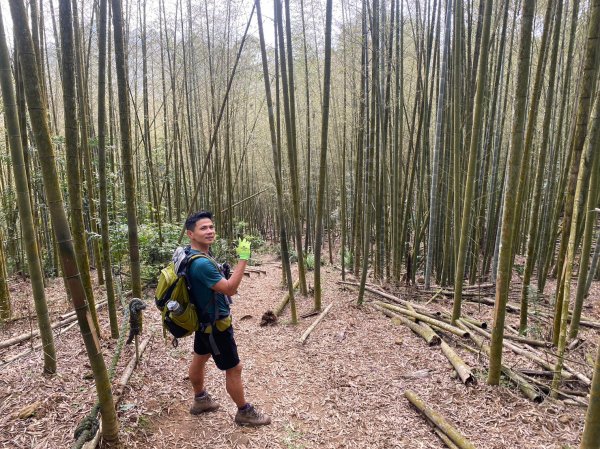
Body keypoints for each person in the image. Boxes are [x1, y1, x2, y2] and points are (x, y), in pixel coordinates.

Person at [184, 210, 271, 427]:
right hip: (216, 326)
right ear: (190, 234)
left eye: (211, 227)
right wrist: (243, 258)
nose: (210, 231)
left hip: (203, 322)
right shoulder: (202, 263)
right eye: (203, 228)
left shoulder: (190, 254)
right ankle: (244, 412)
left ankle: (201, 400)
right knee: (234, 368)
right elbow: (230, 289)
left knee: (200, 357)